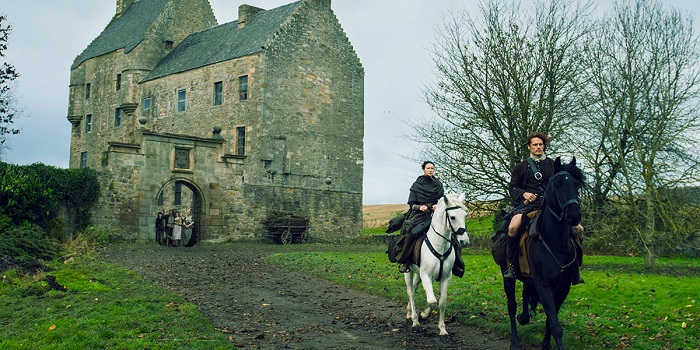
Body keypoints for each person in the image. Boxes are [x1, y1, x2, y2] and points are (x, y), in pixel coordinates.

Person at [502, 132, 584, 284]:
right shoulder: (521, 167)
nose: (538, 147)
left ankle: (576, 269)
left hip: (551, 207)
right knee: (513, 227)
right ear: (529, 147)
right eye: (535, 145)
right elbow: (512, 187)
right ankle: (512, 267)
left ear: (544, 146)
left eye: (540, 144)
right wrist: (524, 194)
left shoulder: (554, 165)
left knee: (579, 229)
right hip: (528, 207)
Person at [394, 161, 465, 276]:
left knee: (452, 234)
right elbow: (411, 204)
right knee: (411, 233)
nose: (430, 170)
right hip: (419, 214)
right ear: (423, 170)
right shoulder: (417, 185)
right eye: (428, 168)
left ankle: (456, 264)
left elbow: (442, 200)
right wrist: (419, 207)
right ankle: (406, 261)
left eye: (432, 168)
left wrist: (438, 205)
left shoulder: (438, 184)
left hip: (436, 213)